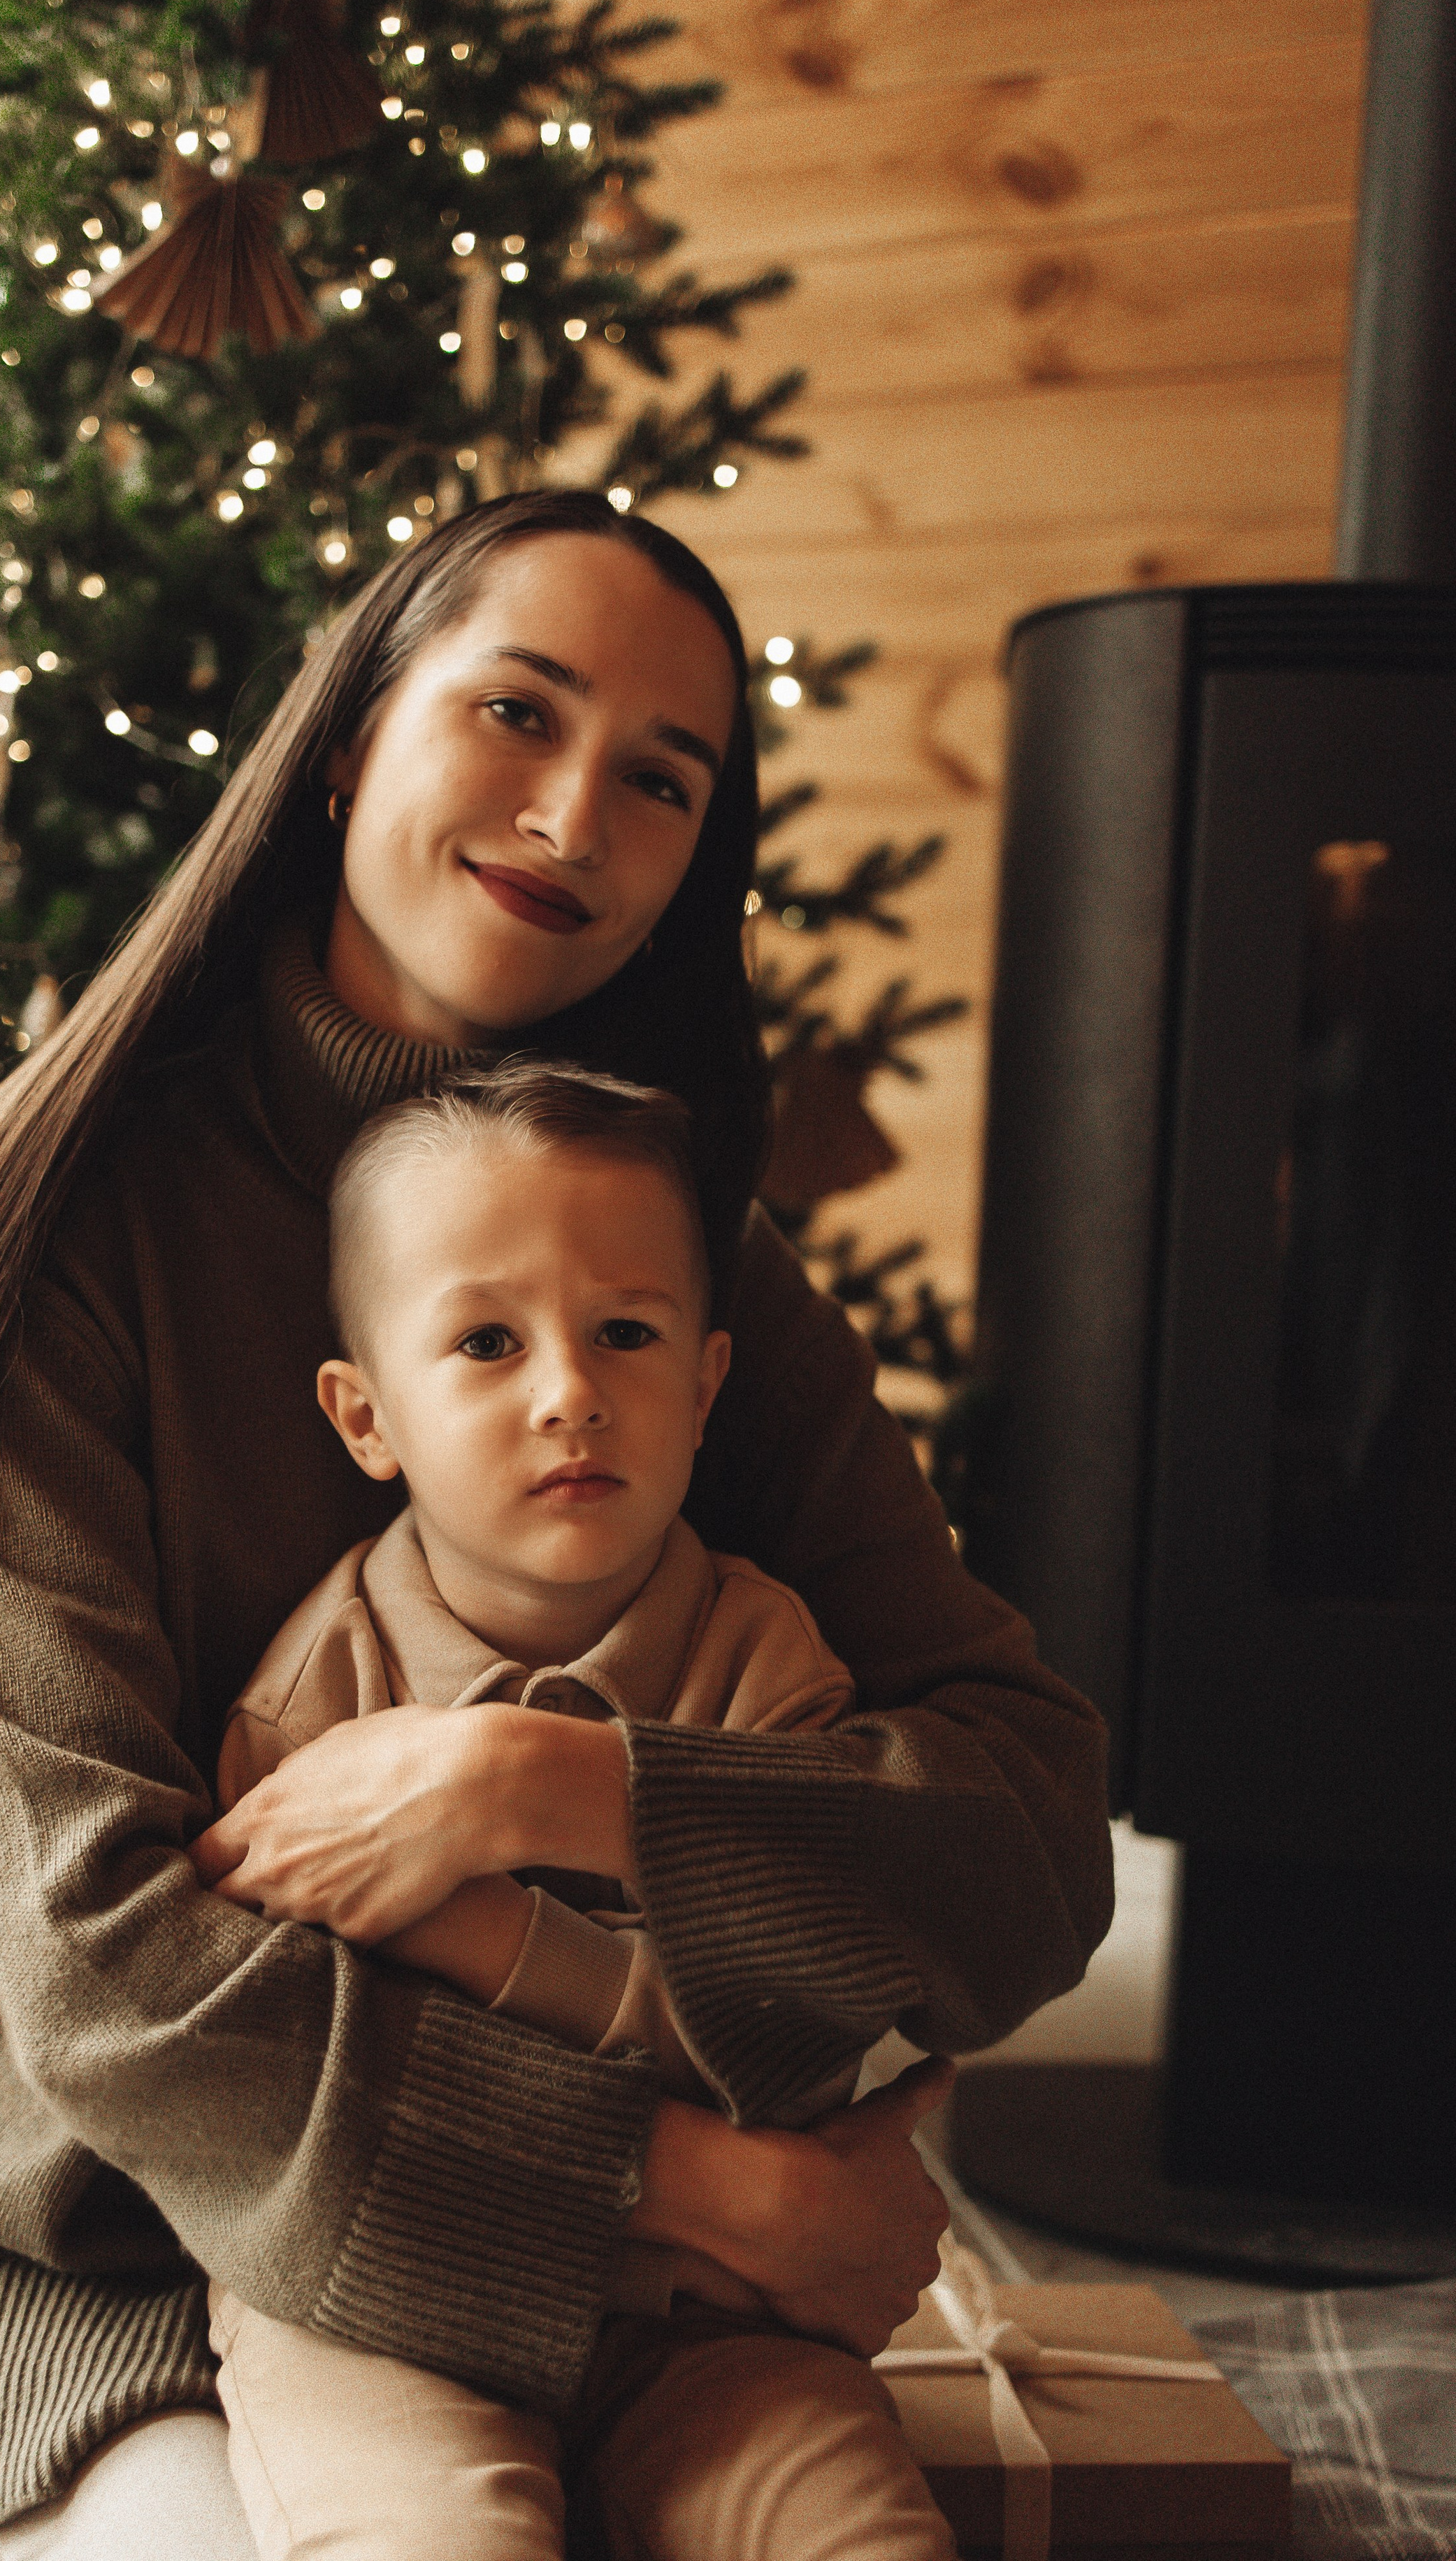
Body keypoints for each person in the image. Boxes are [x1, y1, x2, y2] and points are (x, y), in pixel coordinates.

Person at [0, 491, 1114, 2561]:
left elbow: (1027, 1836)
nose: (575, 815)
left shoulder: (691, 1275)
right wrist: (702, 2190)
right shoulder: (67, 1226)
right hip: (87, 2258)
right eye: (517, 710)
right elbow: (109, 1966)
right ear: (345, 747)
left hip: (635, 2326)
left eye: (661, 779)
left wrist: (534, 1786)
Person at [201, 1058, 965, 2561]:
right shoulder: (312, 1706)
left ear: (706, 1385)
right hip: (380, 2303)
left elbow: (788, 2057)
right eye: (487, 1342)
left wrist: (483, 1934)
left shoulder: (764, 1665)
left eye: (626, 1332)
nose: (570, 1393)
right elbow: (292, 2084)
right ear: (366, 1417)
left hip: (710, 2318)